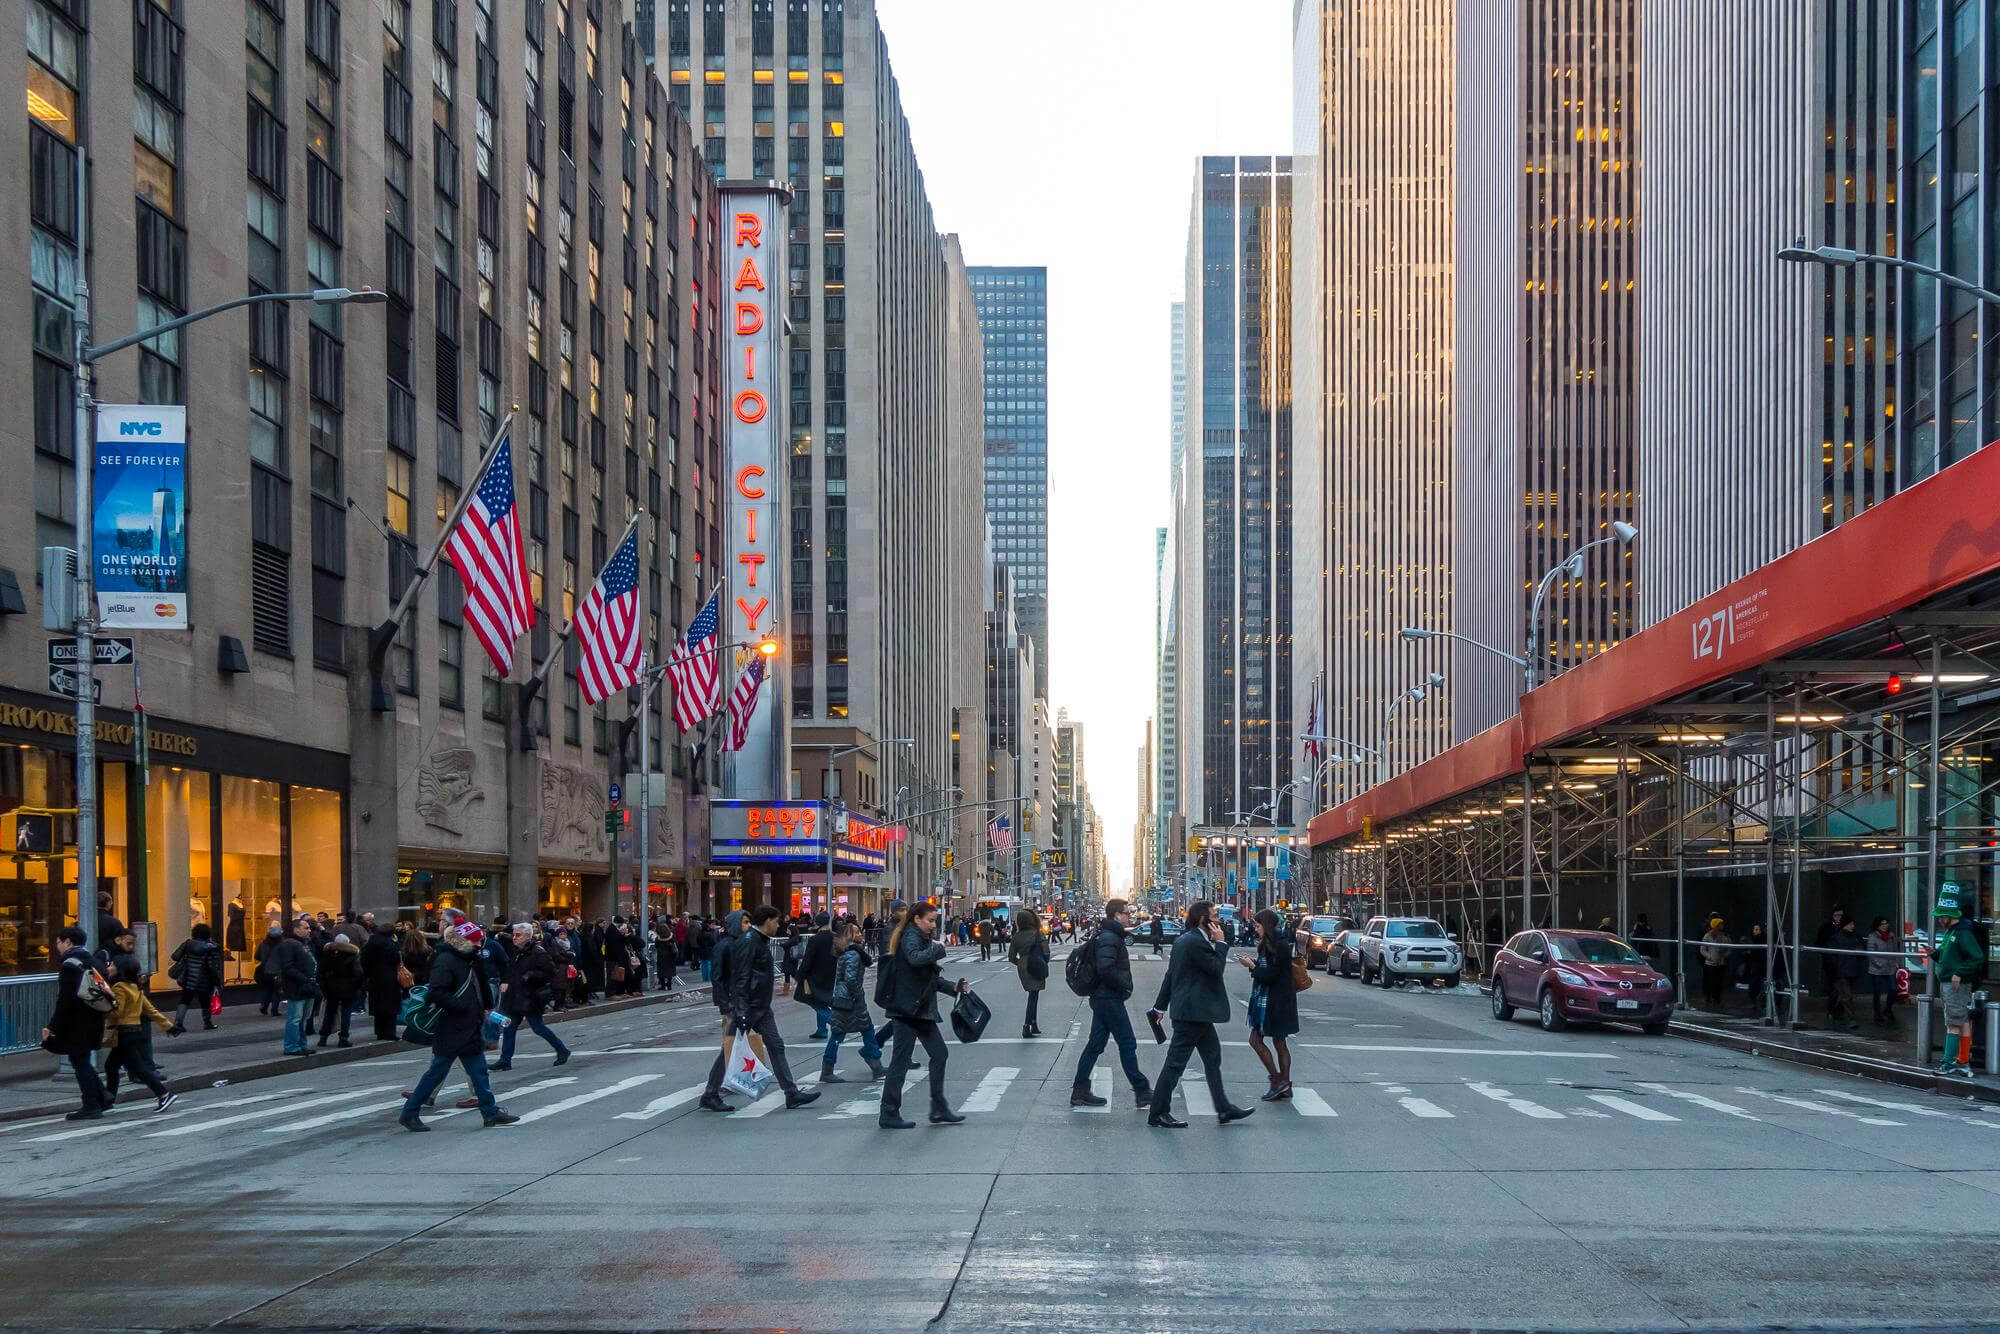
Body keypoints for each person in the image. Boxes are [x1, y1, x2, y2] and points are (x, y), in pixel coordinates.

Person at [395, 921, 517, 1129]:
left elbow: (480, 985)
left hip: (468, 1024)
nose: (480, 943)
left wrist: (486, 1006)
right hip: (451, 1026)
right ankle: (409, 1112)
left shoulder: (470, 958)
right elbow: (436, 992)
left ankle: (490, 1111)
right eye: (476, 940)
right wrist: (462, 1006)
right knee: (437, 1072)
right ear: (463, 941)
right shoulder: (446, 960)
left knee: (478, 1071)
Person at [1146, 901, 1254, 1129]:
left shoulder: (1186, 939)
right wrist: (1221, 943)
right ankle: (1158, 1112)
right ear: (1203, 919)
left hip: (1197, 1014)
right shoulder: (1195, 942)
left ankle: (1224, 1108)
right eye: (1214, 915)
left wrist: (1159, 1007)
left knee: (1212, 1058)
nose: (1218, 919)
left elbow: (1170, 976)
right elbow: (1215, 969)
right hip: (1192, 1014)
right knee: (1175, 1064)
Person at [705, 905, 820, 1111]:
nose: (778, 925)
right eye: (776, 921)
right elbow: (741, 978)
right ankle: (710, 1093)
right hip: (748, 1007)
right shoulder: (749, 942)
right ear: (767, 921)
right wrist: (740, 1010)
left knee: (775, 1046)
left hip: (759, 1007)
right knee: (731, 1049)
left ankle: (791, 1093)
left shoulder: (757, 940)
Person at [877, 901, 968, 1129]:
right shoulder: (911, 936)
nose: (933, 925)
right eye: (930, 920)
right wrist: (939, 948)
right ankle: (889, 1112)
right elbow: (915, 958)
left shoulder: (920, 938)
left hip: (919, 1010)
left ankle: (938, 1107)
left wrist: (954, 987)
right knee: (901, 1062)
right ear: (917, 919)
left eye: (934, 921)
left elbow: (930, 978)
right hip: (907, 1011)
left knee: (939, 1054)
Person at [1070, 899, 1153, 1109]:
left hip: (1102, 997)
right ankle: (1142, 1090)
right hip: (1108, 998)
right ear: (1116, 915)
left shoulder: (1107, 935)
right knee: (1127, 1042)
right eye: (1126, 913)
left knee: (1095, 1045)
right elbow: (1105, 967)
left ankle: (1080, 1090)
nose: (1129, 916)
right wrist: (1123, 986)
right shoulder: (1109, 937)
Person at [41, 926, 112, 1120]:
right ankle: (103, 1097)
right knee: (82, 1059)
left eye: (58, 942)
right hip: (95, 1017)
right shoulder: (95, 961)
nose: (57, 946)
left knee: (79, 1062)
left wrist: (52, 1027)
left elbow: (65, 1000)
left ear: (68, 942)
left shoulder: (69, 965)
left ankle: (91, 1105)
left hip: (77, 1022)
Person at [101, 952, 181, 1112]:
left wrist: (106, 998)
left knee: (138, 1068)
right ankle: (108, 1101)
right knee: (111, 1066)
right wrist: (168, 1026)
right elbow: (150, 1010)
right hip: (134, 1031)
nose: (109, 967)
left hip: (124, 1033)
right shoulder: (135, 987)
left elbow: (117, 1013)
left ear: (119, 969)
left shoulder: (119, 987)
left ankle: (164, 1094)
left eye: (112, 964)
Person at [495, 921, 571, 1069]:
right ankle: (505, 1060)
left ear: (528, 936)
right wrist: (506, 981)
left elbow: (550, 971)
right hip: (515, 995)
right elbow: (510, 970)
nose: (514, 938)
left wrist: (531, 975)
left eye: (518, 935)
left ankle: (561, 1049)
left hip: (530, 996)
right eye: (514, 935)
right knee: (509, 1026)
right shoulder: (516, 951)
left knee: (538, 1027)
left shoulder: (538, 951)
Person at [1241, 908, 1299, 1101]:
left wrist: (1252, 966)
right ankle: (1283, 1083)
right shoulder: (1269, 944)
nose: (1255, 928)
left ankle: (1278, 1081)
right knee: (1278, 1042)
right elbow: (1269, 971)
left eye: (1257, 925)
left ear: (1265, 925)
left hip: (1276, 1002)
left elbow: (1272, 976)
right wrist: (1254, 965)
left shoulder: (1279, 945)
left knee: (1259, 1040)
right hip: (1272, 1000)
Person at [1931, 883, 1984, 1077]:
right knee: (1962, 1021)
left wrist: (1959, 972)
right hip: (1953, 983)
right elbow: (1949, 956)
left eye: (1941, 916)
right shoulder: (1952, 932)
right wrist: (1934, 954)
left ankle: (1948, 1063)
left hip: (1955, 984)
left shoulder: (1962, 933)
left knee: (1953, 1023)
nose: (1939, 920)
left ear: (1949, 916)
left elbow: (1977, 957)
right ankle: (1962, 1061)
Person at [824, 919, 886, 1081]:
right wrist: (858, 995)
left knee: (841, 1034)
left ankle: (828, 1069)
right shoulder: (853, 953)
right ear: (850, 936)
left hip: (843, 999)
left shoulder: (848, 952)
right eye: (857, 932)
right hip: (850, 1001)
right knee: (865, 1031)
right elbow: (850, 978)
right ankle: (876, 1065)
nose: (861, 934)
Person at [273, 916, 321, 1056]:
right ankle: (292, 1046)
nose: (309, 930)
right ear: (296, 930)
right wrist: (304, 979)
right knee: (295, 1019)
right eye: (306, 928)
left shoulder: (305, 944)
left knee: (303, 1019)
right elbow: (287, 967)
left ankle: (301, 1045)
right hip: (297, 987)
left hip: (308, 986)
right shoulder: (288, 944)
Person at [168, 922, 224, 1031]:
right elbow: (213, 967)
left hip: (189, 978)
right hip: (204, 980)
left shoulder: (188, 944)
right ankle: (207, 1023)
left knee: (185, 1000)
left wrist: (186, 956)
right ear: (208, 934)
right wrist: (217, 981)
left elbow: (175, 956)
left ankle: (178, 1023)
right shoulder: (212, 947)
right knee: (205, 1001)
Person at [316, 931, 365, 1047]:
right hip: (348, 989)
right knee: (346, 1013)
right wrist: (357, 987)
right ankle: (343, 1038)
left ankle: (323, 1037)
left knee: (329, 1013)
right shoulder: (352, 955)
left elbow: (321, 973)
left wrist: (324, 988)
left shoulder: (328, 954)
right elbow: (358, 973)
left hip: (331, 989)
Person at [796, 910, 838, 1042]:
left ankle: (834, 1022)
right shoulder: (835, 937)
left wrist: (800, 975)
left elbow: (807, 960)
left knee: (814, 1001)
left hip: (815, 974)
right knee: (821, 1000)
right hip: (831, 973)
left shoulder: (815, 939)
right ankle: (821, 1030)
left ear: (817, 923)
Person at [1008, 908, 1048, 1039]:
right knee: (1033, 996)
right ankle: (1027, 1025)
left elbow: (1011, 957)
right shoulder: (1037, 934)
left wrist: (1021, 963)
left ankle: (1034, 1024)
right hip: (1036, 964)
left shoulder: (1017, 936)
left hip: (1023, 966)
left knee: (1033, 995)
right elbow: (1046, 952)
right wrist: (1042, 962)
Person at [361, 920, 404, 1041]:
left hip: (375, 978)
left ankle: (379, 1032)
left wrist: (368, 974)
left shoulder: (371, 942)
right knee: (390, 1006)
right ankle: (389, 1033)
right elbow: (397, 957)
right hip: (389, 977)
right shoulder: (390, 943)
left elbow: (364, 960)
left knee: (378, 1006)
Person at [1864, 915, 1900, 1027]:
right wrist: (1879, 964)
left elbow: (1895, 950)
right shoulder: (1873, 936)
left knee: (1893, 989)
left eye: (1886, 923)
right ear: (1877, 925)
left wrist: (1895, 962)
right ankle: (1877, 1014)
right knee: (1877, 992)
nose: (1884, 926)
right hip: (1877, 969)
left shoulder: (1891, 935)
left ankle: (1887, 1009)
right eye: (1882, 924)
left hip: (1890, 967)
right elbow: (1871, 953)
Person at [1813, 906, 1846, 1019]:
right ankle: (1832, 1009)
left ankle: (1839, 1009)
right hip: (1831, 962)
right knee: (1833, 986)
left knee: (1842, 986)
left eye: (1841, 915)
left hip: (1843, 961)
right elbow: (1819, 942)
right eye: (1837, 915)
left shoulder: (1845, 926)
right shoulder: (1826, 927)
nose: (1839, 917)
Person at [1832, 917, 1865, 1029]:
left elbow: (1862, 951)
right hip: (1842, 971)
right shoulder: (1837, 938)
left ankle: (1835, 1012)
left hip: (1853, 969)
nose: (1852, 926)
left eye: (1853, 924)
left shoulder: (1856, 937)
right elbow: (1832, 956)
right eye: (1850, 924)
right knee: (1847, 995)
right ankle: (1851, 1019)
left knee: (1844, 995)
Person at [1699, 917, 1732, 1009]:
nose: (1722, 926)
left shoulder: (1725, 936)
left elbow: (1729, 948)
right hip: (1710, 964)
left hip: (1721, 963)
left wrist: (1724, 955)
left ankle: (1717, 1000)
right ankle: (1708, 998)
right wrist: (1709, 957)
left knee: (1719, 982)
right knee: (1710, 982)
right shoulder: (1707, 936)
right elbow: (1702, 949)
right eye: (1720, 924)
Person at [253, 923, 284, 1015]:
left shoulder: (263, 943)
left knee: (267, 989)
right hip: (277, 971)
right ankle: (274, 1010)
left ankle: (264, 1006)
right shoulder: (282, 944)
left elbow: (257, 956)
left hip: (265, 970)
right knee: (276, 991)